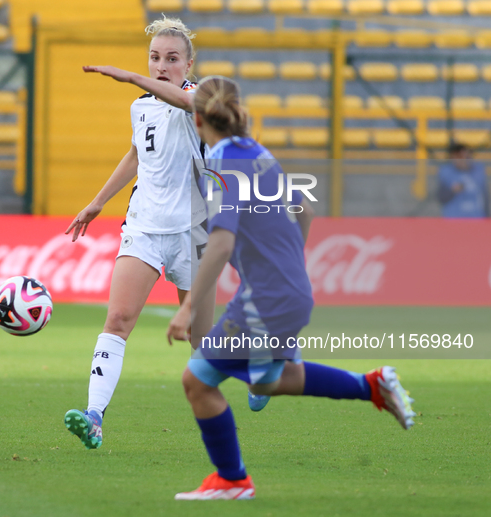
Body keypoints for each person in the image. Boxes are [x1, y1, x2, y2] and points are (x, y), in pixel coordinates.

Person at [166, 76, 416, 500]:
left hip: (266, 296)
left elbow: (222, 242)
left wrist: (187, 307)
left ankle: (232, 479)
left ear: (196, 117)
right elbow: (306, 209)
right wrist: (281, 263)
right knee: (265, 382)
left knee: (198, 380)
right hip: (291, 290)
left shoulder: (222, 163)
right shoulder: (258, 153)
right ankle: (371, 385)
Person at [63, 16, 215, 449]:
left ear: (189, 64)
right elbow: (135, 153)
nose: (161, 66)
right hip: (145, 226)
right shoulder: (141, 105)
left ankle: (260, 374)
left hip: (194, 231)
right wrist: (98, 201)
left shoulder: (199, 100)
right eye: (154, 58)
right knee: (118, 319)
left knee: (202, 343)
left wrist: (129, 77)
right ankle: (94, 417)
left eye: (172, 59)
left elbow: (185, 104)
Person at [437, 143, 489, 218]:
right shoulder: (446, 172)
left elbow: (485, 197)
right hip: (454, 220)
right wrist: (452, 190)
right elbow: (441, 198)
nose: (463, 160)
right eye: (459, 157)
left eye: (466, 156)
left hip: (476, 219)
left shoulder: (479, 171)